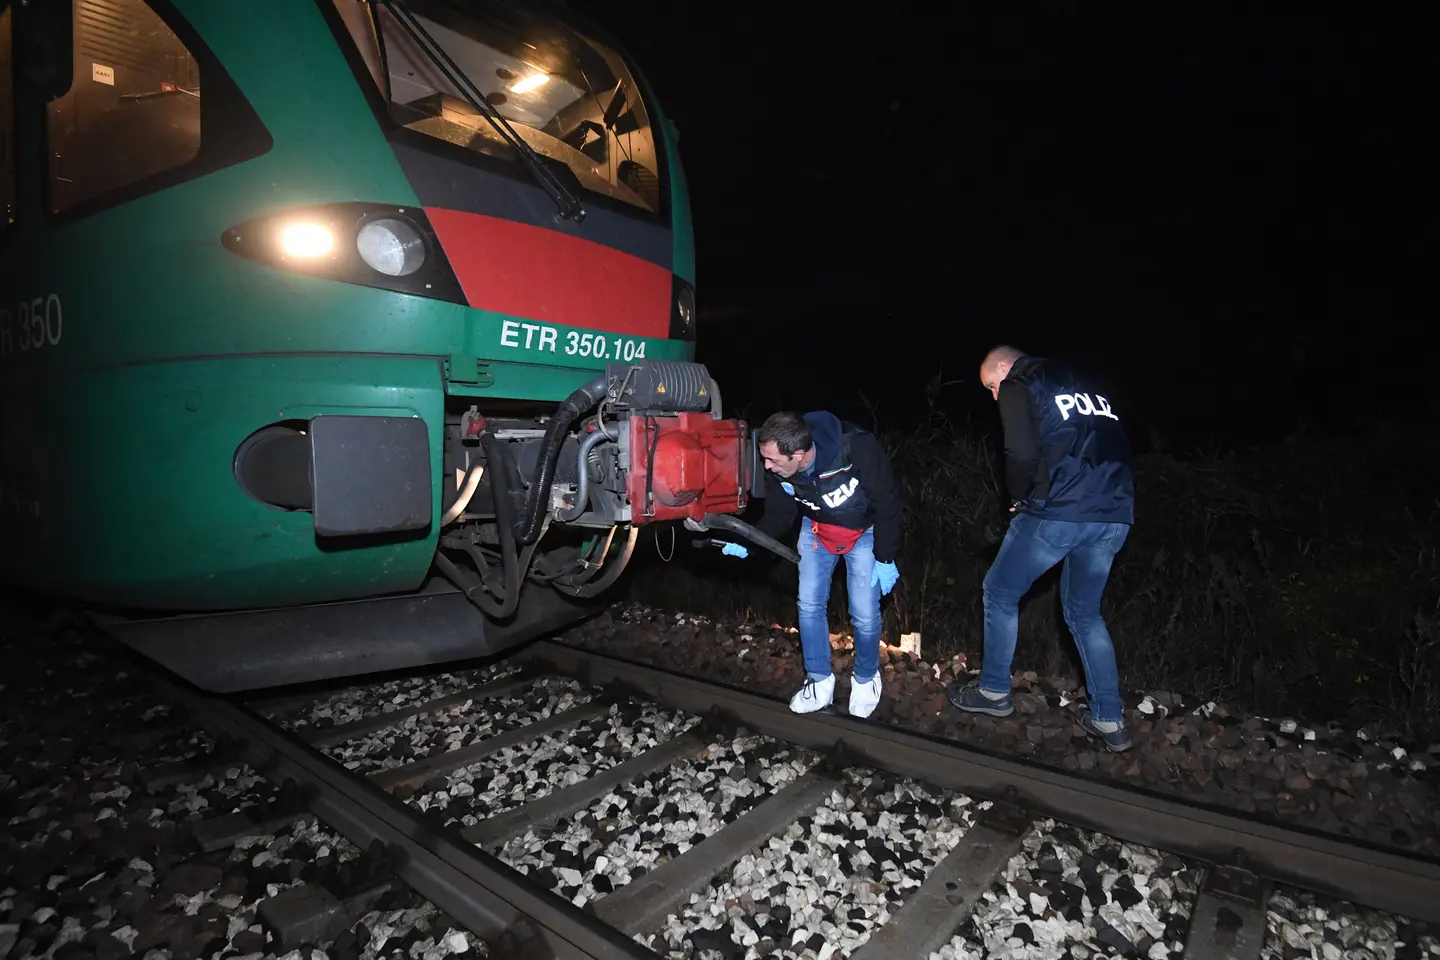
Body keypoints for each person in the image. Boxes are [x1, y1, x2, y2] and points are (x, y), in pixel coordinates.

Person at [948, 345, 1137, 752]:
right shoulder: (1088, 385)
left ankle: (994, 692)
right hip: (1116, 512)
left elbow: (1019, 449)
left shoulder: (1022, 381)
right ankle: (1109, 718)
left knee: (999, 592)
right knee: (1085, 614)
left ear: (1003, 367)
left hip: (1061, 511)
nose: (996, 395)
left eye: (992, 386)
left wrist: (1017, 497)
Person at [720, 410, 903, 718]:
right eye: (764, 458)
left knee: (864, 612)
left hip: (864, 534)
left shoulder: (856, 448)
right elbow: (780, 515)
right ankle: (819, 681)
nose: (766, 466)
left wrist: (885, 557)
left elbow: (888, 503)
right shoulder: (779, 468)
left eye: (773, 461)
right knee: (808, 605)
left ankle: (866, 678)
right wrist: (750, 541)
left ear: (800, 455)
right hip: (817, 531)